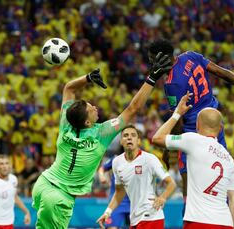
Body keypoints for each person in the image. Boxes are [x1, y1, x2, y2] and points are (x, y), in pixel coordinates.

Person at [31, 52, 172, 229]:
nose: (95, 106)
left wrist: (87, 78)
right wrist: (152, 78)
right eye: (91, 108)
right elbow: (133, 108)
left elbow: (68, 89)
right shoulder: (101, 133)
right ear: (88, 122)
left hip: (43, 184)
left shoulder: (66, 123)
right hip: (59, 197)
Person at [148, 39, 234, 203]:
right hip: (215, 123)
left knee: (188, 184)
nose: (151, 64)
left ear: (161, 58)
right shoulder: (190, 56)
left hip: (194, 132)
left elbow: (178, 121)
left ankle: (189, 214)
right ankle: (225, 213)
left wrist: (168, 147)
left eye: (152, 59)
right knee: (221, 171)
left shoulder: (172, 83)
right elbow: (220, 71)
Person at [152, 92, 234, 229]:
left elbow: (157, 138)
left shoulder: (193, 140)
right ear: (221, 128)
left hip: (198, 221)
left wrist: (177, 113)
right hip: (225, 222)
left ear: (197, 126)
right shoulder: (229, 159)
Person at [96, 125, 176, 229]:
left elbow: (171, 183)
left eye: (133, 135)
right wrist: (107, 212)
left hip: (151, 216)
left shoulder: (149, 159)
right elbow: (119, 192)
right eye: (125, 135)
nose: (129, 137)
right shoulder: (117, 162)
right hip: (134, 218)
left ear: (138, 141)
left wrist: (163, 197)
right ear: (121, 141)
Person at [0, 154, 31, 229]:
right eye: (1, 164)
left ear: (10, 166)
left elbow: (15, 197)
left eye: (7, 163)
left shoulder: (13, 179)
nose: (4, 166)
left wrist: (27, 212)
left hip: (9, 223)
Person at [98, 156, 131, 228]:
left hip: (134, 203)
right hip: (116, 203)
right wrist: (102, 176)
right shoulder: (116, 159)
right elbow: (102, 168)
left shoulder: (142, 158)